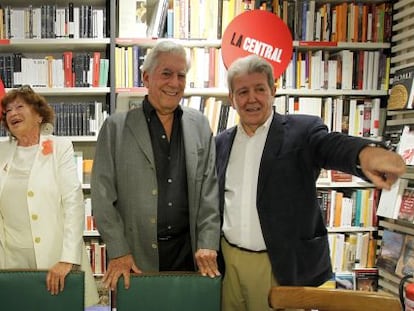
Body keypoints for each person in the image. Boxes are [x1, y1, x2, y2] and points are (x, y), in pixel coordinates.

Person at [215, 54, 407, 311]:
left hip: (281, 265)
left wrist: (364, 153)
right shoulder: (220, 143)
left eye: (259, 89)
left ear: (273, 90)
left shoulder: (302, 132)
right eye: (243, 91)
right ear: (232, 98)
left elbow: (329, 146)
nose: (251, 99)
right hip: (230, 261)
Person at [91, 40, 221, 291]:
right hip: (135, 257)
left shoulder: (200, 125)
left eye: (181, 75)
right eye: (166, 74)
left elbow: (209, 190)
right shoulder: (116, 128)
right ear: (146, 77)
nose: (175, 83)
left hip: (190, 254)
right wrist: (118, 251)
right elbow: (102, 197)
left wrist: (208, 242)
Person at [0, 86, 98, 306]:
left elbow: (73, 203)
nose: (12, 113)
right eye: (7, 111)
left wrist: (67, 259)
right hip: (10, 260)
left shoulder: (59, 147)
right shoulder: (1, 150)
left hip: (55, 259)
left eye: (19, 107)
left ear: (38, 114)